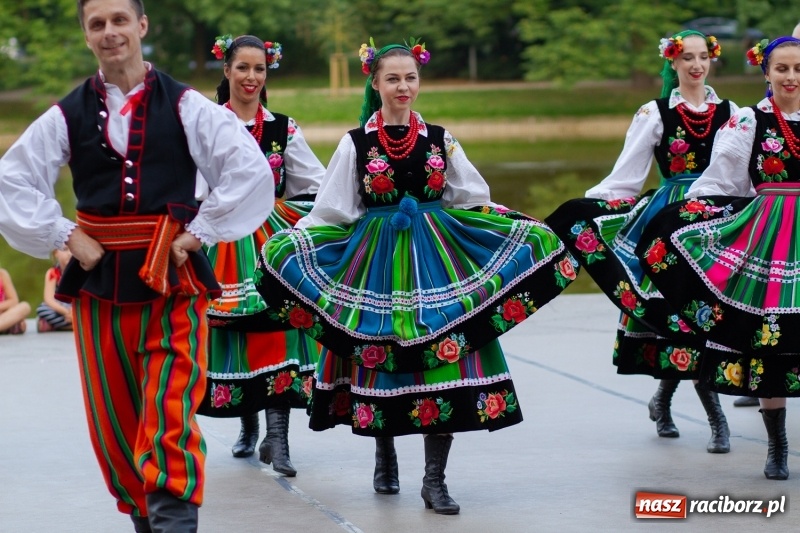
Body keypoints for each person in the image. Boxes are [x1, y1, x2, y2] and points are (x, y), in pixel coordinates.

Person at [257, 37, 578, 514]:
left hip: (437, 256)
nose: (403, 87)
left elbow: (469, 195)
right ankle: (384, 455)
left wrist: (511, 222)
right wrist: (294, 240)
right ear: (375, 82)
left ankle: (434, 480)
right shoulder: (356, 143)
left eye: (410, 77)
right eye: (393, 78)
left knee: (443, 354)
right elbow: (333, 209)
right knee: (381, 355)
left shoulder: (439, 138)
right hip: (376, 260)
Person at [0, 1, 274, 531]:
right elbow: (12, 181)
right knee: (116, 423)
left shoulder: (188, 106)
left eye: (119, 20)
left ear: (141, 26)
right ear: (86, 35)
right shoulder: (67, 113)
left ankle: (173, 520)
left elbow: (248, 172)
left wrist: (198, 233)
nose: (110, 32)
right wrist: (65, 235)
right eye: (97, 24)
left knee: (170, 411)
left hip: (171, 283)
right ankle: (145, 518)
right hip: (99, 288)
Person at [546, 31, 736, 453]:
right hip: (668, 218)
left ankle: (666, 401)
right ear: (672, 62)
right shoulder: (656, 112)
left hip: (713, 219)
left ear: (712, 60)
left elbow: (741, 172)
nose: (696, 65)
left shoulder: (731, 113)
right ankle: (709, 417)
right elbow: (626, 176)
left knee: (706, 314)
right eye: (686, 57)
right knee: (674, 311)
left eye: (703, 57)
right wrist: (592, 208)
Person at [637, 36, 800, 480]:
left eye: (798, 69)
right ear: (765, 72)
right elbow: (718, 184)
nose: (790, 77)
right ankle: (778, 447)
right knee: (773, 339)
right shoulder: (749, 121)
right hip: (772, 240)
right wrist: (693, 223)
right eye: (781, 69)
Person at [196, 34, 325, 475]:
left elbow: (316, 182)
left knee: (279, 329)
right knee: (233, 330)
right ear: (226, 70)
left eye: (260, 69)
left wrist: (306, 221)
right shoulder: (207, 122)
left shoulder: (282, 128)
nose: (251, 77)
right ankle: (248, 425)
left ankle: (278, 439)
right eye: (243, 68)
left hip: (271, 237)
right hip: (222, 238)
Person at [36, 248, 74, 332]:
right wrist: (66, 312)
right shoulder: (53, 272)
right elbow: (49, 299)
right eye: (65, 250)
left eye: (72, 250)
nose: (69, 254)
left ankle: (62, 325)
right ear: (56, 253)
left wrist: (73, 312)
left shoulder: (80, 271)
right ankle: (73, 324)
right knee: (42, 309)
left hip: (75, 306)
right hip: (61, 307)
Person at [0, 266, 30, 335]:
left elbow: (14, 301)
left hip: (3, 315)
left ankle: (7, 324)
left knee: (25, 306)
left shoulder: (2, 274)